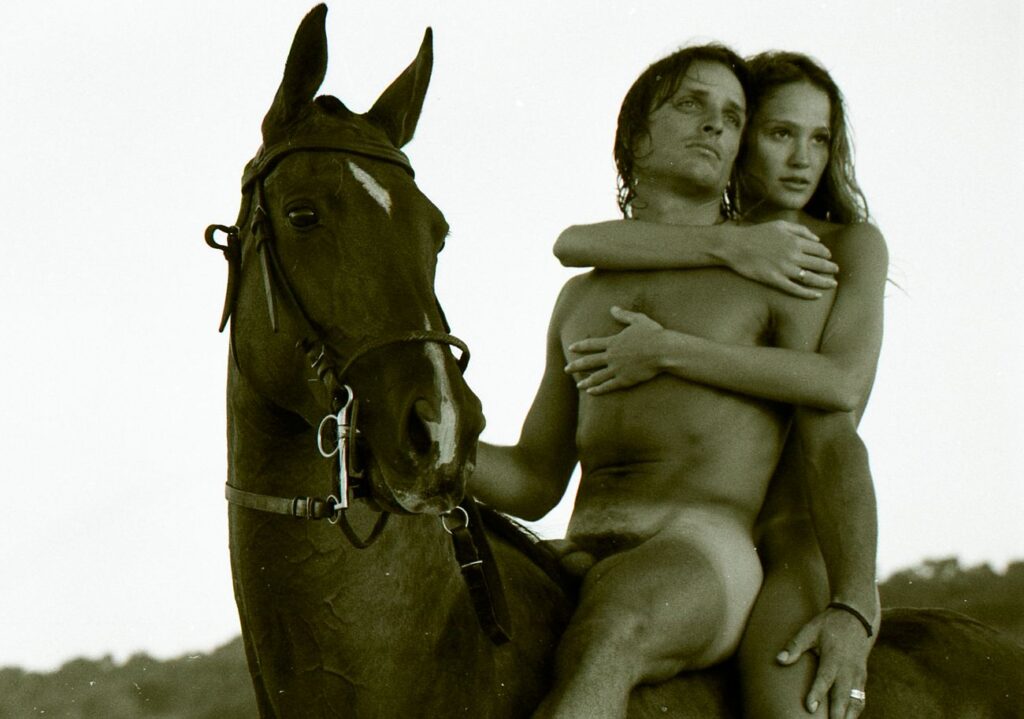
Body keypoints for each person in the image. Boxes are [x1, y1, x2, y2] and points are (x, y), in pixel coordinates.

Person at [469, 45, 885, 719]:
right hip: (580, 542)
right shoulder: (579, 298)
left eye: (733, 116)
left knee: (616, 626)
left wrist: (856, 602)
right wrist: (434, 442)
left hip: (702, 550)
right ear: (637, 135)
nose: (716, 124)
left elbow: (833, 435)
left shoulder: (784, 273)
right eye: (693, 104)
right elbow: (535, 479)